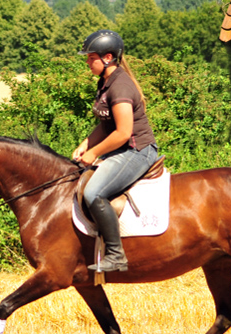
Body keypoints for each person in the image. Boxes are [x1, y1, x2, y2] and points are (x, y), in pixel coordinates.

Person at [73, 29, 159, 272]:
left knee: (94, 194)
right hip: (123, 149)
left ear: (107, 57)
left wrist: (93, 154)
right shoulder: (106, 82)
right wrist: (86, 144)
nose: (87, 61)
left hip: (136, 150)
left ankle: (116, 254)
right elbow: (106, 124)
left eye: (91, 57)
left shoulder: (120, 87)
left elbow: (122, 132)